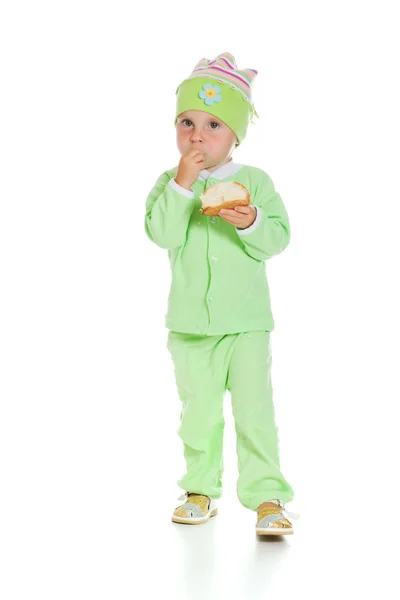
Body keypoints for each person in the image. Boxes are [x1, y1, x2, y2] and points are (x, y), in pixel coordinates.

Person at [144, 52, 296, 535]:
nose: (196, 135)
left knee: (255, 413)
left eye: (212, 124)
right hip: (190, 326)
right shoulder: (171, 185)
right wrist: (183, 185)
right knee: (199, 414)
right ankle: (200, 490)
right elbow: (162, 234)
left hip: (247, 324)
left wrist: (250, 221)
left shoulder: (254, 183)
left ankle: (267, 496)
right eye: (186, 122)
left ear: (235, 135)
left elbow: (277, 238)